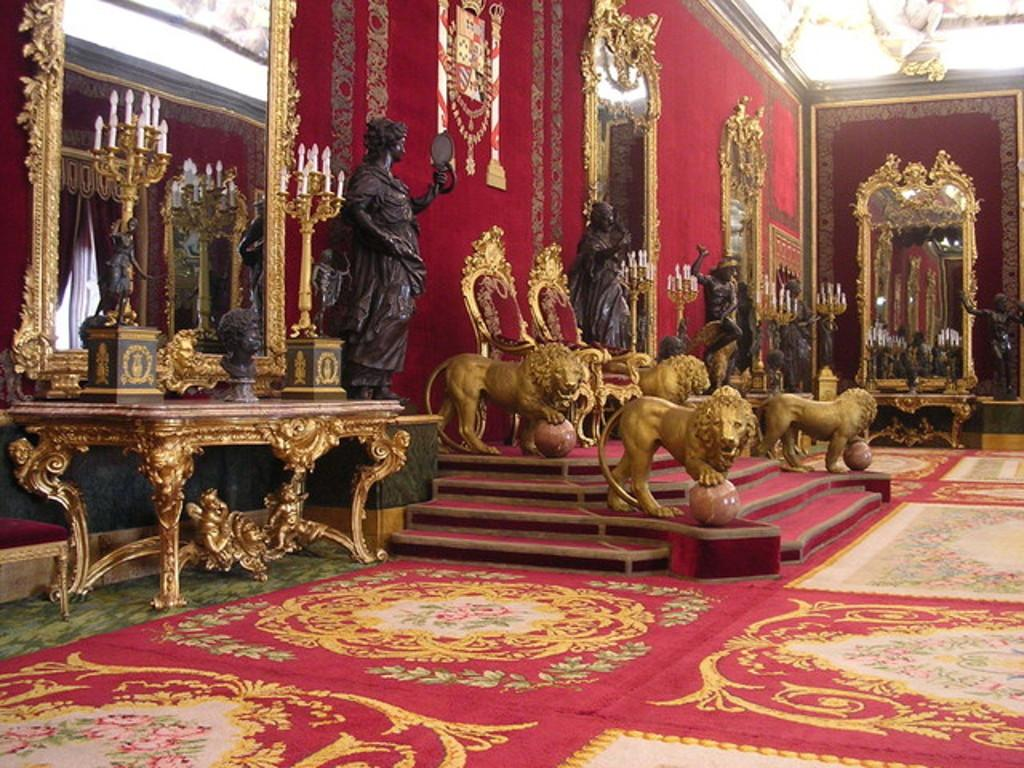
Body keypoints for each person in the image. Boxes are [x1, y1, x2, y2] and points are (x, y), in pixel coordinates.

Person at [340, 117, 449, 401]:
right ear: (388, 144)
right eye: (401, 142)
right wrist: (385, 239)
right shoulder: (369, 177)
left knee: (401, 312)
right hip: (382, 260)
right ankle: (362, 381)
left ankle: (382, 381)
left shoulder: (392, 182)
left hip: (403, 256)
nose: (404, 148)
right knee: (385, 313)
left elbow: (407, 210)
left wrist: (434, 191)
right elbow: (355, 211)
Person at [568, 201, 631, 349]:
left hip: (612, 284)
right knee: (603, 317)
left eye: (611, 219)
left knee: (620, 316)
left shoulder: (605, 240)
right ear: (597, 219)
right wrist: (618, 247)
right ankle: (604, 345)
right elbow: (596, 257)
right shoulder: (590, 239)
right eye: (606, 219)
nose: (610, 222)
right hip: (599, 286)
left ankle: (614, 347)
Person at [963, 291, 1014, 399]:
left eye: (1006, 303)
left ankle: (1009, 386)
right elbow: (971, 311)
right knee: (999, 362)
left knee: (1008, 364)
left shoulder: (1008, 316)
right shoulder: (990, 314)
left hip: (1005, 341)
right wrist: (964, 300)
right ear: (998, 304)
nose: (1005, 305)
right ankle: (1001, 384)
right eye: (1003, 303)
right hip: (995, 342)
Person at [779, 278, 813, 392]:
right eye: (798, 288)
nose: (800, 290)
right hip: (788, 333)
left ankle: (797, 382)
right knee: (789, 358)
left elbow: (810, 316)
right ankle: (790, 384)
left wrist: (806, 323)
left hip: (799, 334)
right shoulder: (783, 304)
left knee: (801, 358)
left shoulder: (801, 304)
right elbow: (780, 319)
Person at [238, 198, 265, 319]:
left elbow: (244, 246)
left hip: (261, 261)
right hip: (259, 260)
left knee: (258, 289)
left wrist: (250, 257)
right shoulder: (260, 222)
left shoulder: (260, 221)